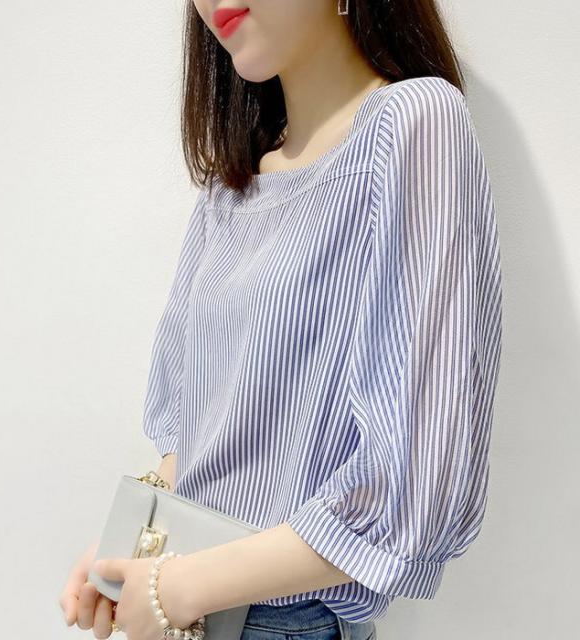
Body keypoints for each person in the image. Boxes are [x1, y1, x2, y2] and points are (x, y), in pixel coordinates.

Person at [59, 1, 503, 639]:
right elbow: (204, 438)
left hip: (276, 618)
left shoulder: (413, 123)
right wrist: (120, 552)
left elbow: (414, 475)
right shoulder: (231, 188)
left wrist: (181, 587)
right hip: (188, 603)